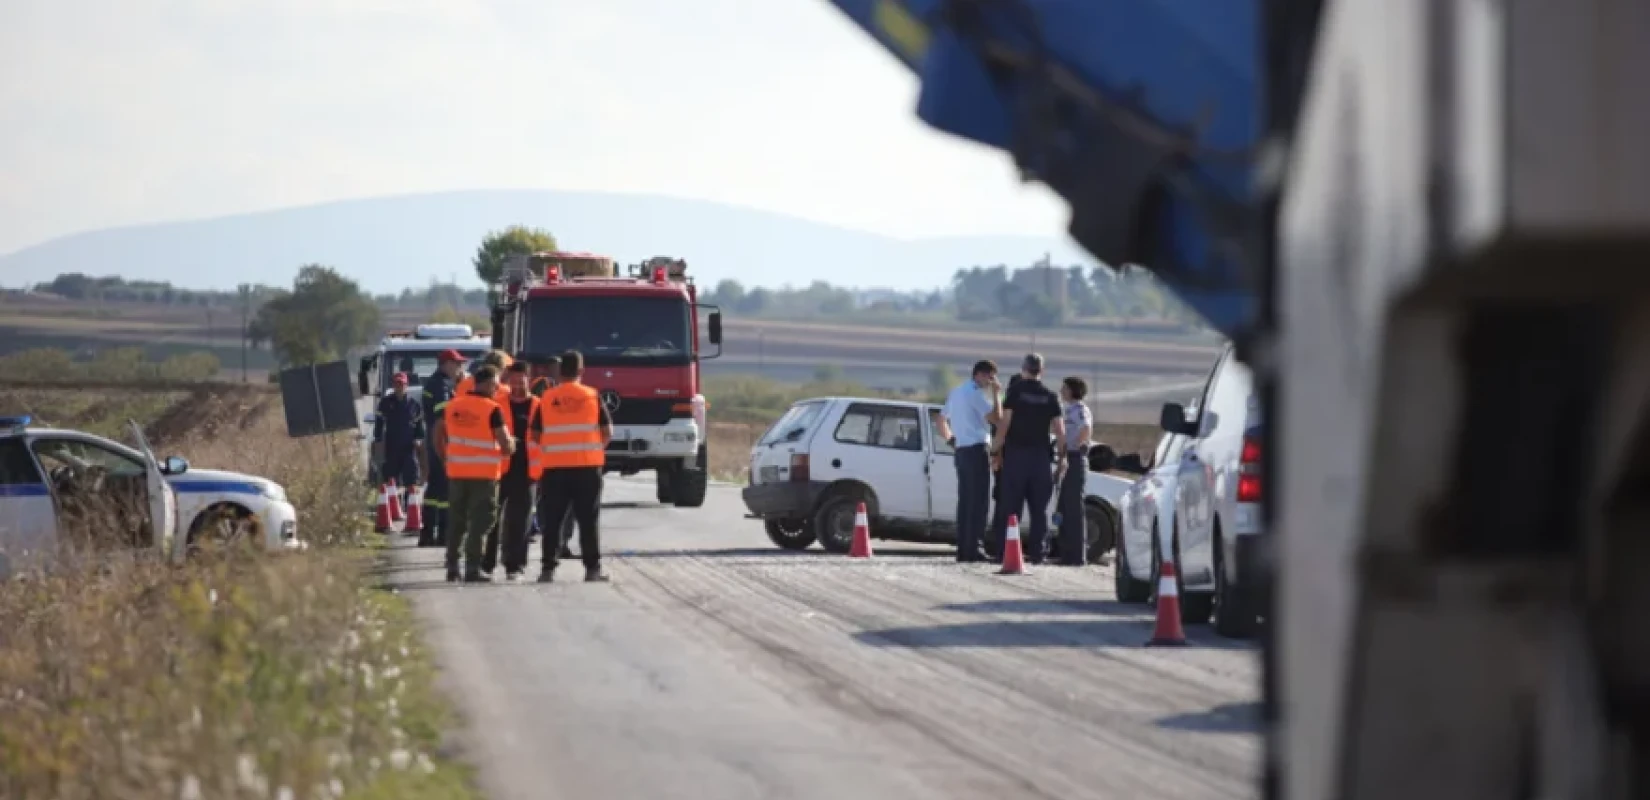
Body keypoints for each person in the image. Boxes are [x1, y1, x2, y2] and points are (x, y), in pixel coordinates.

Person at [531, 350, 613, 583]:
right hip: (587, 468)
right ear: (580, 371)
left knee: (553, 521)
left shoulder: (546, 398)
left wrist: (553, 447)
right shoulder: (591, 396)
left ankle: (547, 569)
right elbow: (608, 432)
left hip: (555, 468)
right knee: (588, 521)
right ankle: (592, 570)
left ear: (560, 371)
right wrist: (593, 449)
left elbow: (535, 434)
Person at [434, 365, 515, 583]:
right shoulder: (492, 409)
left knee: (457, 521)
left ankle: (452, 566)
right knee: (480, 522)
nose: (498, 389)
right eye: (496, 385)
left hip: (457, 473)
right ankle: (472, 567)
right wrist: (512, 446)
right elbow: (505, 444)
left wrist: (445, 458)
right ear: (488, 384)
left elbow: (437, 433)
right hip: (484, 476)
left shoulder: (452, 406)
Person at [991, 354, 1065, 564]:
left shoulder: (1015, 392)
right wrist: (1062, 460)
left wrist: (995, 450)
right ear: (1042, 371)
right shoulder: (1051, 397)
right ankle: (1038, 553)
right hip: (1040, 458)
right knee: (1039, 510)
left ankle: (1005, 552)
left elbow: (1004, 424)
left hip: (1016, 457)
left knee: (1010, 508)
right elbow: (1060, 431)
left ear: (1023, 369)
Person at [481, 362, 540, 581]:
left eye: (521, 379)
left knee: (521, 520)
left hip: (527, 471)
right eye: (513, 380)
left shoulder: (538, 406)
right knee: (491, 519)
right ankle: (486, 563)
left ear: (528, 379)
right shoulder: (496, 405)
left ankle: (514, 565)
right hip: (499, 469)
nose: (517, 384)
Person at [937, 359, 1000, 563]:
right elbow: (996, 418)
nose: (990, 382)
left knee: (965, 501)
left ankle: (963, 548)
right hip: (976, 449)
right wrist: (997, 394)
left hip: (961, 450)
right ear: (980, 375)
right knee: (978, 501)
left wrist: (951, 440)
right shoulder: (975, 394)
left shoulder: (957, 392)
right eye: (989, 378)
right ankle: (975, 548)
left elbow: (940, 419)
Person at [418, 349, 467, 548]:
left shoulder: (437, 382)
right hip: (442, 442)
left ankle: (428, 533)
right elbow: (445, 414)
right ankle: (443, 533)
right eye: (457, 364)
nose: (460, 368)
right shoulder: (441, 385)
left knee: (435, 489)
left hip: (435, 440)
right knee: (445, 490)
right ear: (447, 364)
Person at [372, 372, 425, 527]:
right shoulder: (385, 403)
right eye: (396, 384)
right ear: (393, 385)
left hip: (408, 447)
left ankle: (412, 508)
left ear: (406, 385)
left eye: (401, 384)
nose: (399, 387)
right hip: (392, 445)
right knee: (391, 477)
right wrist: (378, 439)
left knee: (411, 477)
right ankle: (393, 508)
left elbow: (419, 427)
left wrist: (419, 439)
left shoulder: (414, 405)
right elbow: (379, 423)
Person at [1053, 376, 1094, 566]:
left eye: (1064, 388)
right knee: (1063, 507)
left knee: (1074, 509)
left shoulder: (1079, 409)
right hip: (1066, 458)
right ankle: (1064, 552)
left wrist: (1075, 446)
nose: (1061, 391)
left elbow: (1085, 428)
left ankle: (1077, 555)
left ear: (1072, 390)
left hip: (1075, 459)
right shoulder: (1066, 410)